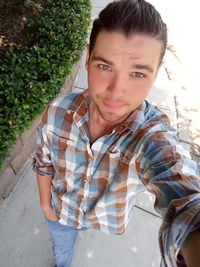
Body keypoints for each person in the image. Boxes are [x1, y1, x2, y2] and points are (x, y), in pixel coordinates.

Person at [32, 0, 200, 266]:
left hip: (100, 221)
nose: (115, 91)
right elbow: (43, 162)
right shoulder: (57, 112)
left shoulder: (152, 137)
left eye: (137, 73)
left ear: (155, 73)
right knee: (61, 254)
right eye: (105, 67)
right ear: (87, 58)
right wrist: (45, 206)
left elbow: (182, 187)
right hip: (61, 215)